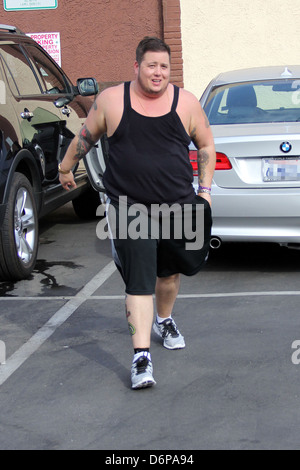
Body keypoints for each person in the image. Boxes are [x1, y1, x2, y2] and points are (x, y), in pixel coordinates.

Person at [59, 36, 216, 390]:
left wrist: (204, 193)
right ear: (136, 67)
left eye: (164, 67)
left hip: (178, 205)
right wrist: (66, 167)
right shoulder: (112, 100)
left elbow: (206, 143)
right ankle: (141, 356)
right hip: (129, 208)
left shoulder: (185, 103)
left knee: (170, 274)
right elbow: (86, 136)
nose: (158, 73)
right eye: (151, 66)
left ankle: (165, 319)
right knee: (139, 282)